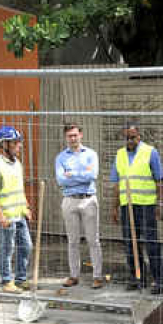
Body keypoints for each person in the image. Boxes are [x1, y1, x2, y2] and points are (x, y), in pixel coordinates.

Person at [109, 123, 163, 293]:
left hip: (147, 206)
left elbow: (160, 180)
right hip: (127, 206)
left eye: (133, 137)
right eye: (127, 138)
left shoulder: (150, 152)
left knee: (151, 244)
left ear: (139, 137)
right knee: (130, 244)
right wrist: (114, 207)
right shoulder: (120, 155)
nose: (130, 141)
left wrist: (160, 204)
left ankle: (159, 280)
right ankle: (137, 278)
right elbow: (116, 183)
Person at [54, 123, 103, 290]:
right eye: (69, 136)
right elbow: (61, 180)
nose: (73, 138)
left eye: (75, 135)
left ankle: (97, 276)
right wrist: (82, 175)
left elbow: (93, 175)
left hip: (88, 200)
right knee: (72, 240)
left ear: (81, 135)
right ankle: (74, 275)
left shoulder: (90, 154)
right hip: (69, 200)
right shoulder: (61, 158)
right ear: (65, 137)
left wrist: (71, 174)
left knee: (93, 239)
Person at [0, 125, 31, 294]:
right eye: (15, 143)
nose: (19, 146)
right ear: (4, 144)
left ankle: (20, 279)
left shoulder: (17, 163)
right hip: (6, 216)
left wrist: (26, 207)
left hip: (19, 214)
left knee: (26, 246)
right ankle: (6, 281)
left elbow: (19, 188)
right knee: (7, 249)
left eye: (19, 142)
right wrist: (0, 215)